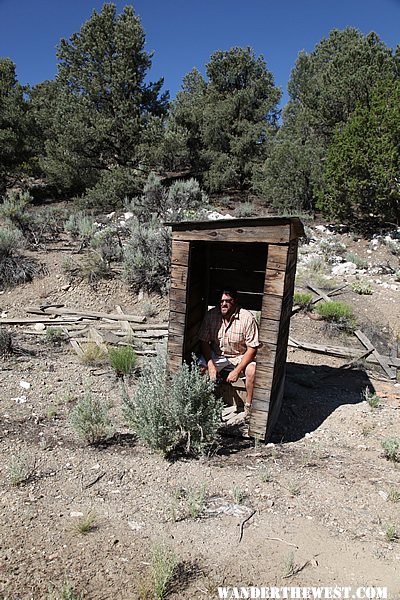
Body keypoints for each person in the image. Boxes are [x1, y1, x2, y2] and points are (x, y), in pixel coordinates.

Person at [197, 288, 259, 415]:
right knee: (199, 368)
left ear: (235, 301)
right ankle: (200, 406)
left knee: (252, 371)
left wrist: (237, 370)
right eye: (221, 301)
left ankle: (248, 408)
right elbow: (204, 341)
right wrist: (210, 364)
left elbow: (252, 348)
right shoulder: (212, 315)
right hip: (217, 355)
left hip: (239, 356)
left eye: (227, 301)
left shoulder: (247, 318)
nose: (223, 304)